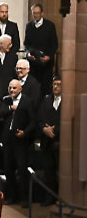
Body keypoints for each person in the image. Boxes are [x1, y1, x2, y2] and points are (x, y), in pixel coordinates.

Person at [25, 3, 58, 95]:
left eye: (37, 13)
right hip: (33, 64)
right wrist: (28, 54)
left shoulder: (50, 26)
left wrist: (49, 57)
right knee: (33, 89)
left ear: (42, 13)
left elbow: (54, 44)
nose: (35, 15)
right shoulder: (29, 26)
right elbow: (26, 43)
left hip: (46, 64)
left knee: (45, 89)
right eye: (34, 13)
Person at [38, 77, 61, 206]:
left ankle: (60, 197)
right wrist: (44, 129)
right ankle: (49, 197)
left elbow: (67, 119)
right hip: (47, 141)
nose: (56, 87)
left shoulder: (67, 100)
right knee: (48, 172)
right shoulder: (47, 100)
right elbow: (40, 117)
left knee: (60, 171)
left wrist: (54, 130)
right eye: (54, 84)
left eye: (58, 84)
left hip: (60, 141)